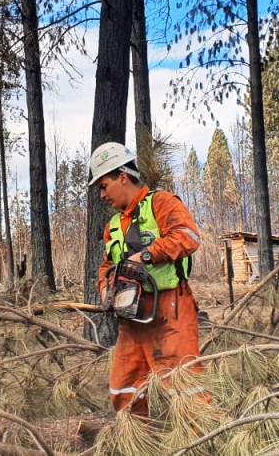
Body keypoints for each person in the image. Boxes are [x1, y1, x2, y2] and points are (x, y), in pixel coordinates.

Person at [88, 142, 205, 415]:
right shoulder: (113, 226)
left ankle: (202, 440)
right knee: (124, 389)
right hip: (132, 316)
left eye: (104, 186)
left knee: (186, 389)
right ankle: (139, 441)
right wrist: (106, 287)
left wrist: (147, 255)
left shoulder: (160, 203)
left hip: (168, 311)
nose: (102, 195)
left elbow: (188, 236)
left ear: (123, 177)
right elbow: (108, 265)